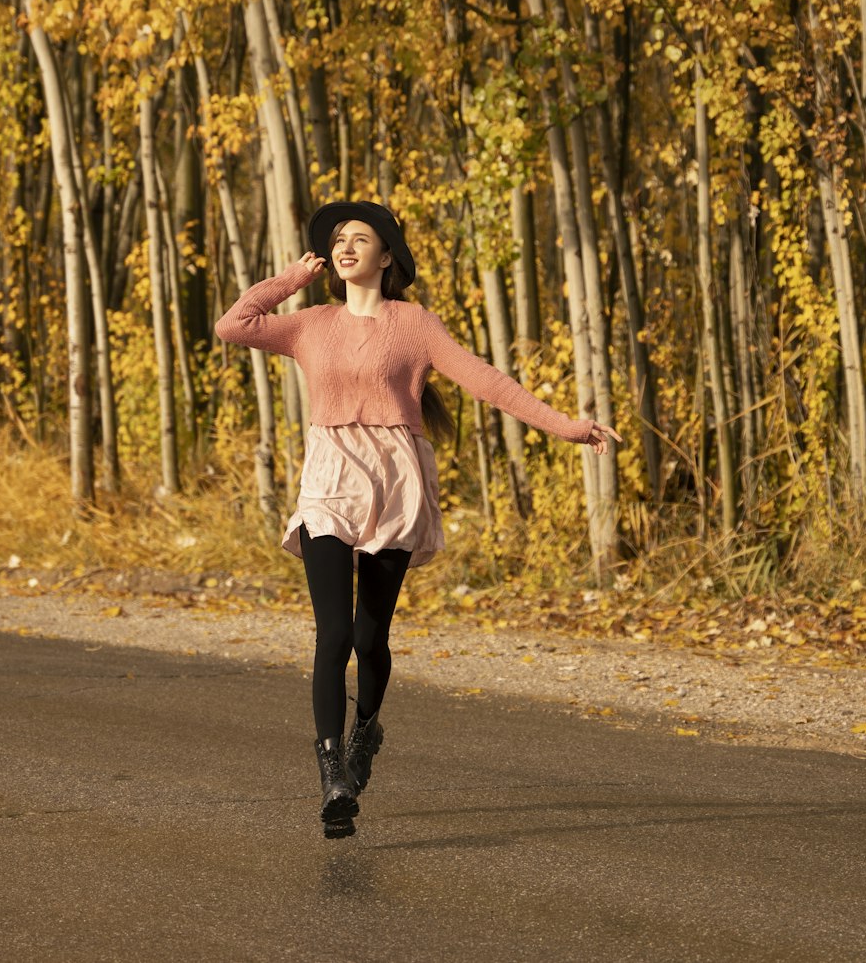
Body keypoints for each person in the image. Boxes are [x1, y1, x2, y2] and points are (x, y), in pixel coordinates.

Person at [215, 199, 621, 838]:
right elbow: (233, 325)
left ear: (388, 256)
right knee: (334, 634)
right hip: (330, 480)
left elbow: (487, 382)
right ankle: (331, 778)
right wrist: (293, 277)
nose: (346, 248)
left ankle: (363, 737)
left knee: (371, 639)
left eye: (361, 239)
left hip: (396, 482)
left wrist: (569, 428)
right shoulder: (309, 323)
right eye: (338, 240)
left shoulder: (414, 324)